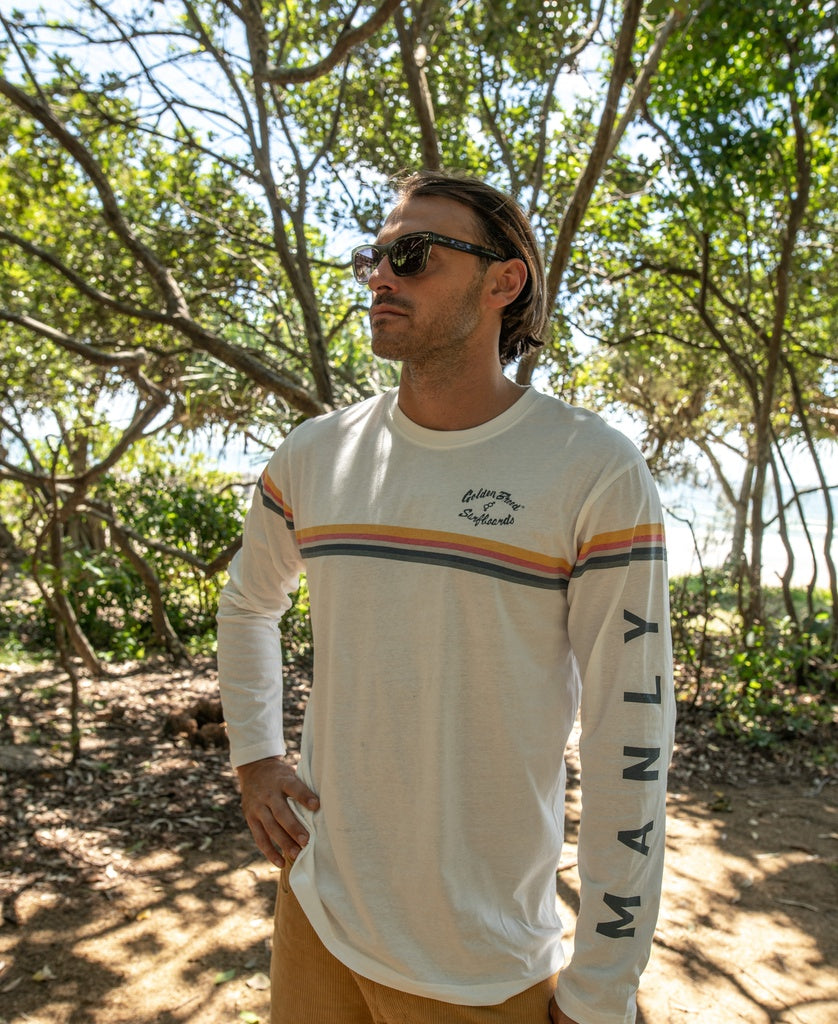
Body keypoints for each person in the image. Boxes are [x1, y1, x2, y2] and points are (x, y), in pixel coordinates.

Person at [216, 170, 675, 1024]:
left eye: (414, 255)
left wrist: (603, 987)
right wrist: (254, 758)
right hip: (317, 917)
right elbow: (248, 603)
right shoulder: (316, 455)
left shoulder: (593, 470)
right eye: (375, 257)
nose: (380, 277)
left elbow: (631, 733)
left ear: (505, 281)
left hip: (481, 967)